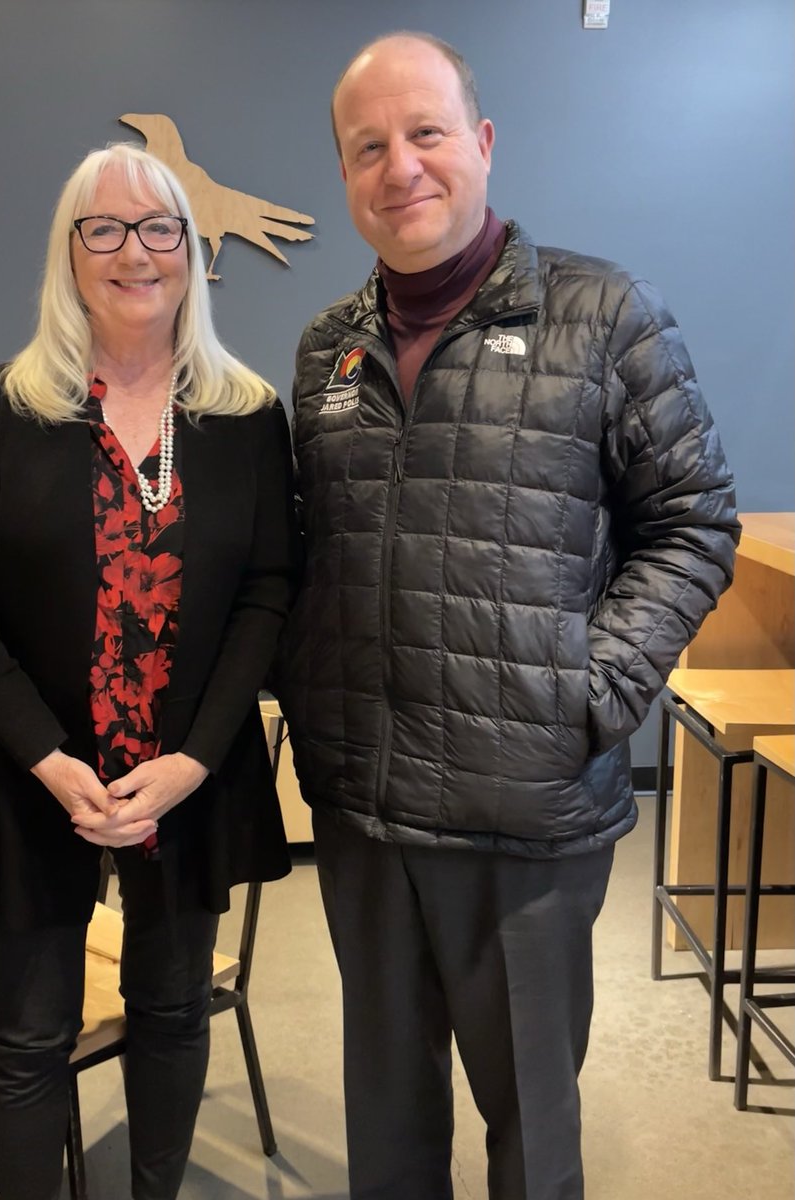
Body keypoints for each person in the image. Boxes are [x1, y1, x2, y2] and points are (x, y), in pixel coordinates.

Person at [278, 31, 740, 1200]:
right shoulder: (327, 349)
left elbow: (692, 520)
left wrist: (595, 688)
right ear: (344, 176)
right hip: (364, 807)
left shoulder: (605, 314)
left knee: (531, 1125)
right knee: (386, 1126)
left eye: (426, 134)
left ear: (480, 145)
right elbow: (311, 547)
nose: (402, 168)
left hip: (524, 811)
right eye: (368, 147)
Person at [0, 142, 298, 1200]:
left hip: (188, 779)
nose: (136, 252)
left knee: (174, 1013)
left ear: (192, 250)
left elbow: (270, 589)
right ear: (70, 254)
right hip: (37, 779)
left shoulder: (248, 416)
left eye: (160, 227)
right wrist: (41, 752)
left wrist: (196, 760)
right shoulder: (6, 405)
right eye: (105, 229)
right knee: (29, 1037)